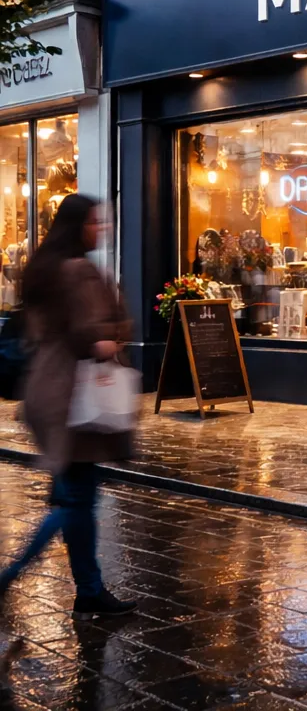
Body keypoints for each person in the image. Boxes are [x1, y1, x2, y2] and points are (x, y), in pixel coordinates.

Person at [0, 195, 137, 620]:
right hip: (74, 399)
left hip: (50, 392)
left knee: (73, 497)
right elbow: (94, 333)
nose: (103, 229)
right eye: (96, 222)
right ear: (78, 225)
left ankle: (89, 591)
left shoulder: (45, 267)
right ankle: (15, 580)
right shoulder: (77, 270)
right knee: (76, 501)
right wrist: (111, 337)